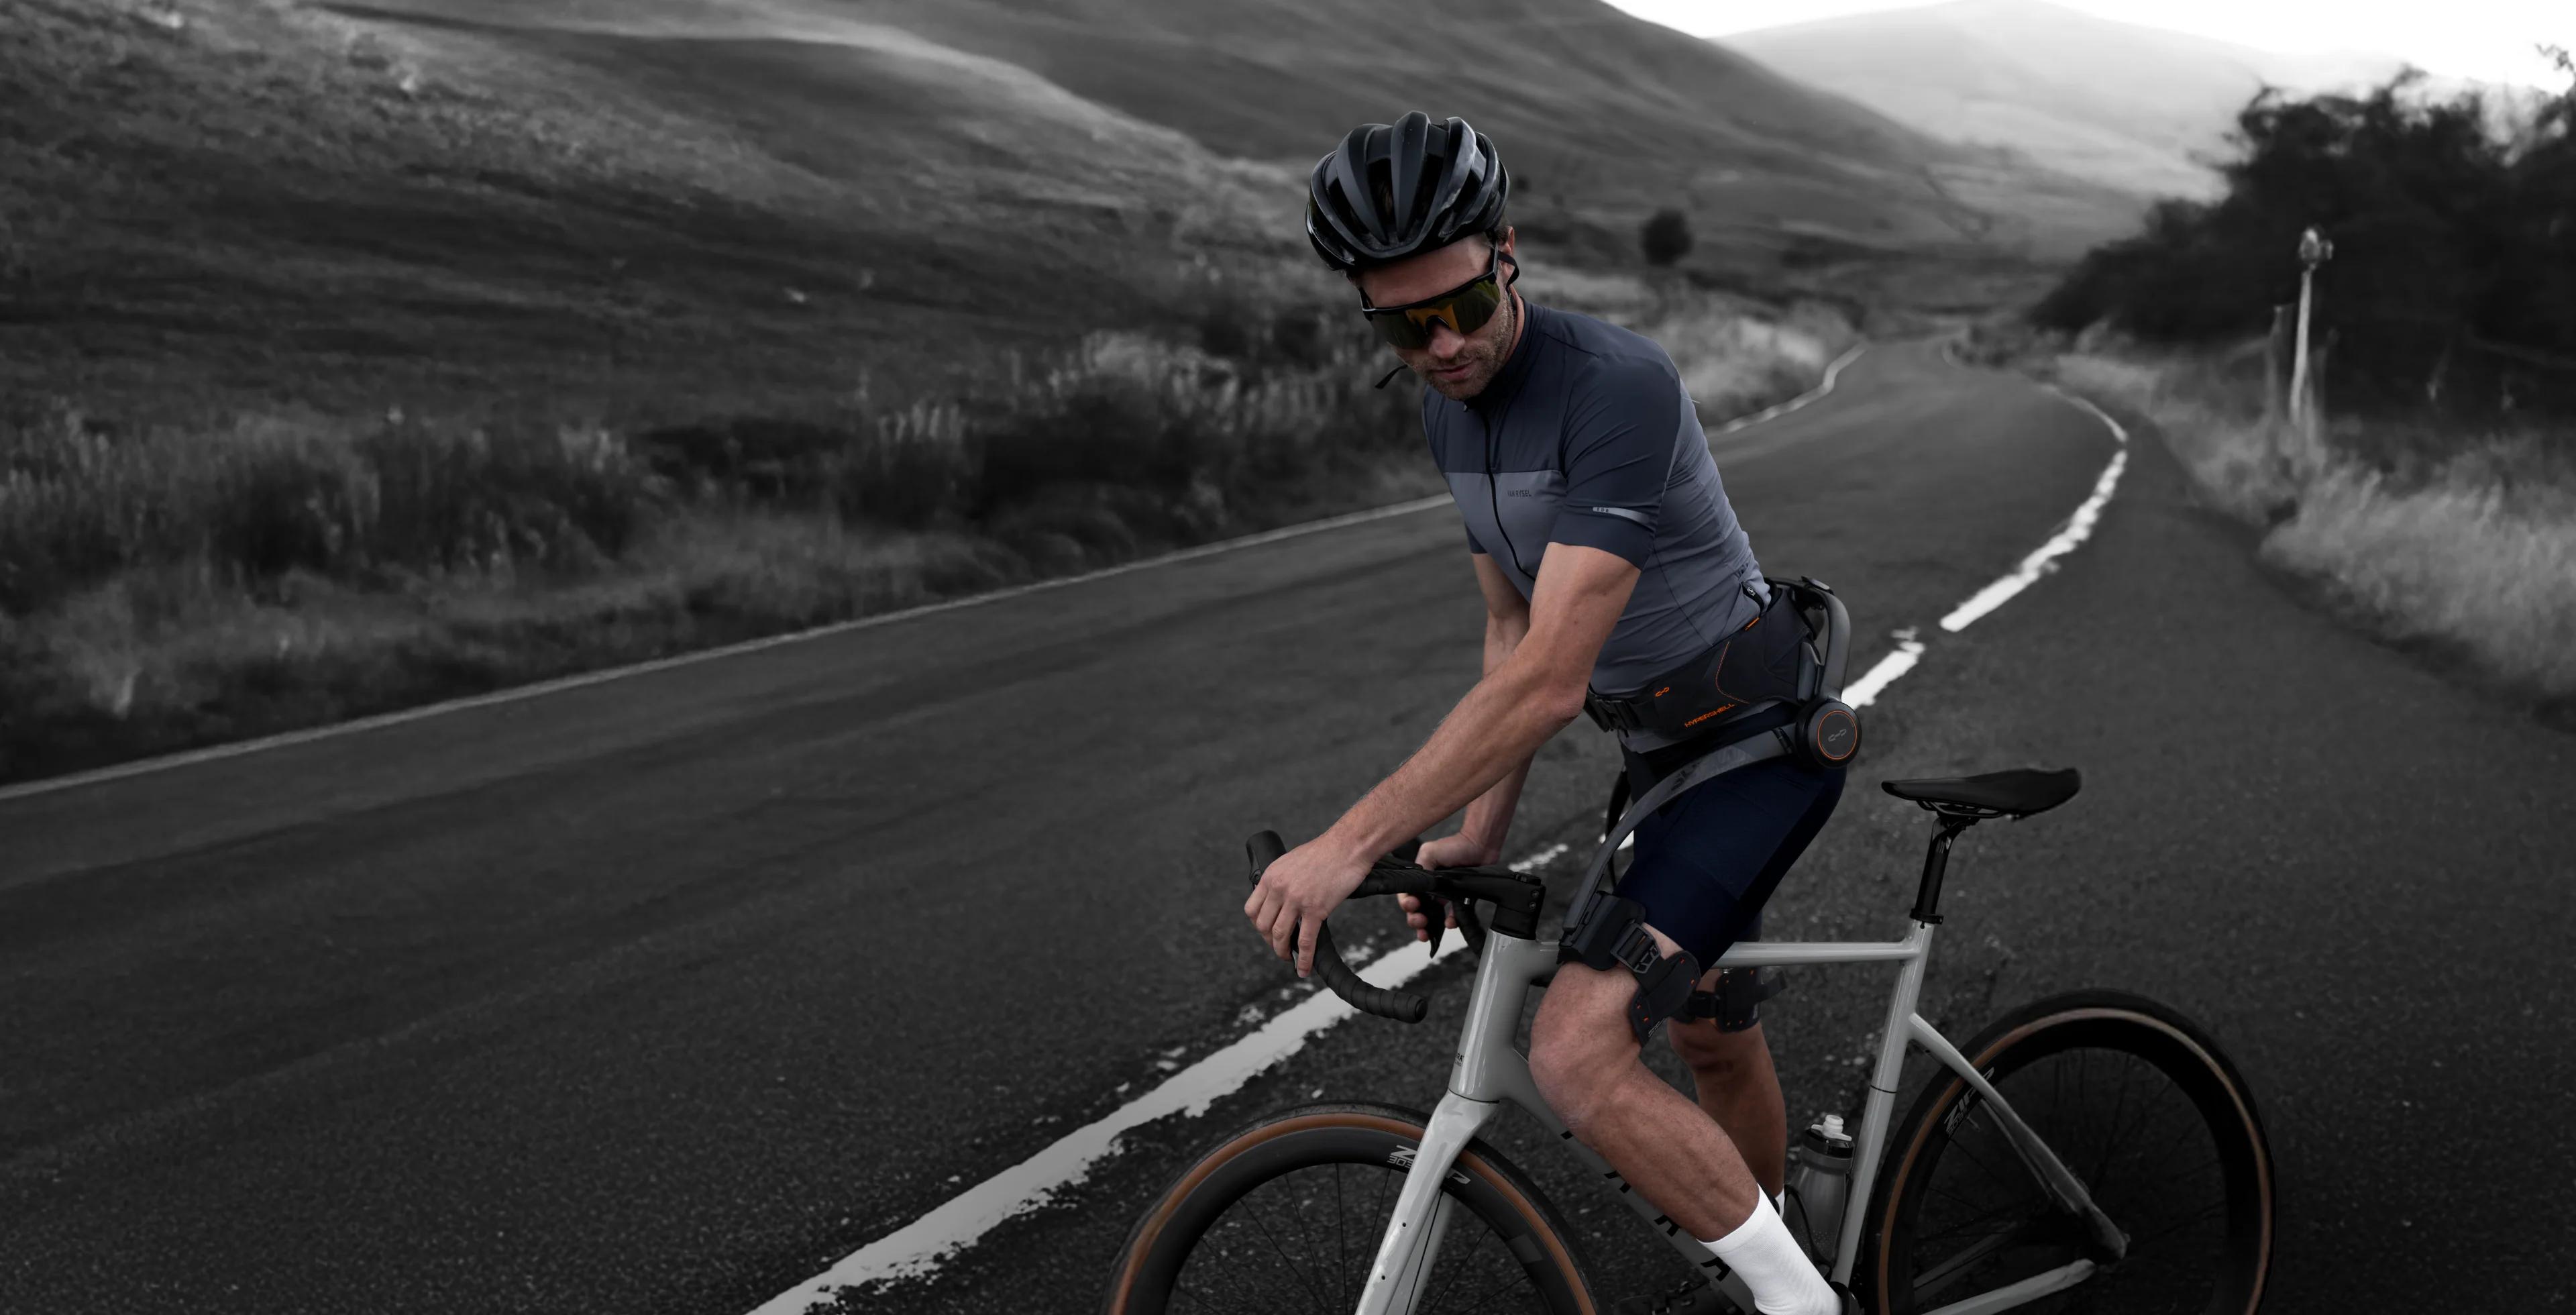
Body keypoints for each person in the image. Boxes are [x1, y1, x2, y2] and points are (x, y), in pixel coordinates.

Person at [1242, 112, 1848, 1315]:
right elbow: (1511, 625)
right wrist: (1475, 835)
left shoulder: (1616, 388)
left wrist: (1350, 842)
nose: (1444, 343)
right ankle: (1778, 1262)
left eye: (1464, 304)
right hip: (1661, 756)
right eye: (1405, 325)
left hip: (1759, 741)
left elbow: (1548, 680)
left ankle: (1805, 1307)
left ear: (1507, 251)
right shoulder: (1446, 409)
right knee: (1710, 1035)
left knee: (1574, 1051)